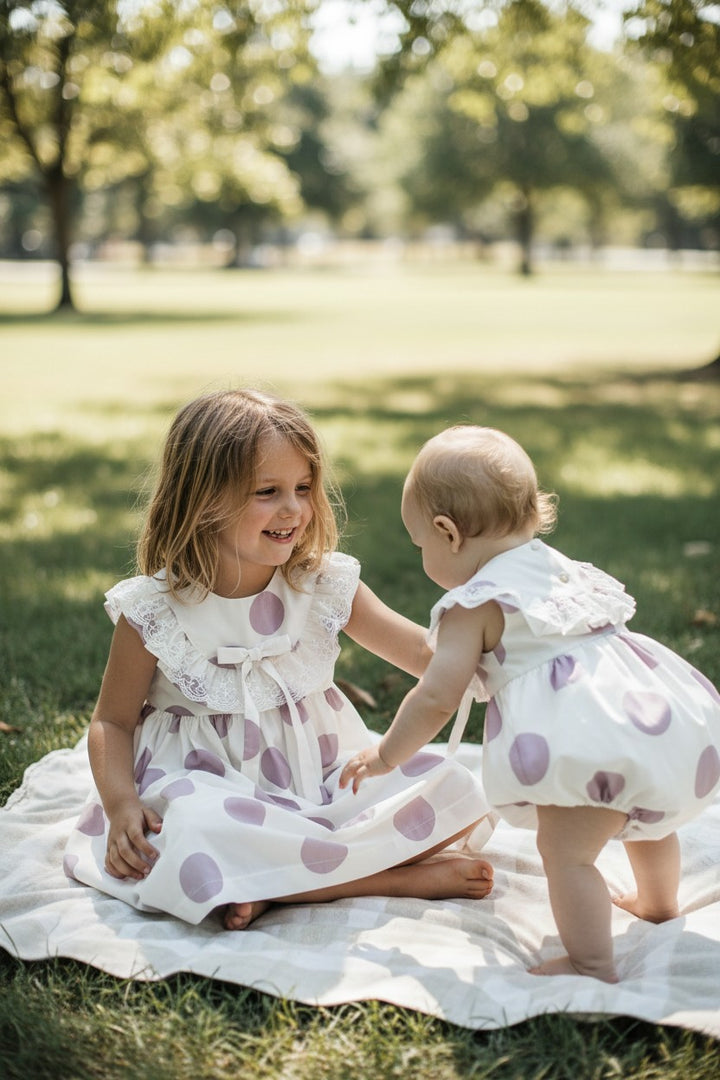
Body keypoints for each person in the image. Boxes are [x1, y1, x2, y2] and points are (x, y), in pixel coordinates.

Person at [64, 390, 495, 932]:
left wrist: (501, 658)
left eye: (303, 488)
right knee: (193, 830)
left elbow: (422, 654)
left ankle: (279, 883)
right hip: (207, 786)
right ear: (202, 500)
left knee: (458, 787)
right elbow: (112, 721)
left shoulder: (321, 583)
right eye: (267, 492)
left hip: (322, 781)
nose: (293, 509)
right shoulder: (155, 610)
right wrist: (121, 804)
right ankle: (387, 877)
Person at [340, 425, 720, 982]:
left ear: (447, 533)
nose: (422, 554)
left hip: (585, 744)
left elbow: (438, 696)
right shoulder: (556, 566)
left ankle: (591, 962)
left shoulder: (474, 604)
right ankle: (659, 903)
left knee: (566, 854)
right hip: (650, 723)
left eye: (419, 544)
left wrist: (385, 755)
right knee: (648, 824)